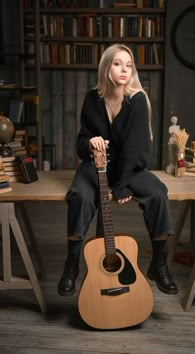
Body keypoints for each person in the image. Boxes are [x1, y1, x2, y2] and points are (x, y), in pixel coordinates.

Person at [57, 44, 178, 297]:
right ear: (106, 66)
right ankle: (71, 265)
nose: (124, 69)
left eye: (129, 64)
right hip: (96, 166)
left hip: (130, 168)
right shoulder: (92, 99)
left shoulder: (137, 99)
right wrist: (90, 143)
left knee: (157, 194)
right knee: (79, 195)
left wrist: (121, 185)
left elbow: (135, 150)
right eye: (117, 63)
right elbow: (81, 144)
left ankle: (159, 264)